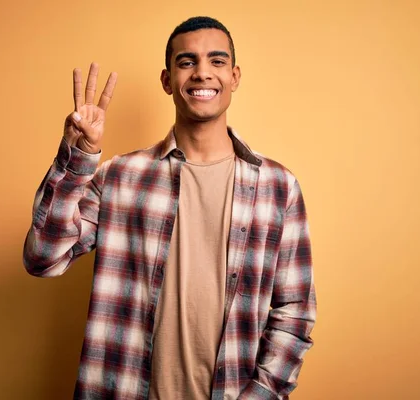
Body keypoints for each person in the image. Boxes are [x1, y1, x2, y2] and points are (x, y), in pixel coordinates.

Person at [23, 16, 316, 400]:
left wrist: (260, 394)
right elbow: (43, 259)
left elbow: (293, 313)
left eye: (217, 61)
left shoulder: (279, 188)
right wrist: (79, 155)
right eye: (187, 62)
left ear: (235, 76)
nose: (202, 73)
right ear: (167, 80)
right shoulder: (120, 177)